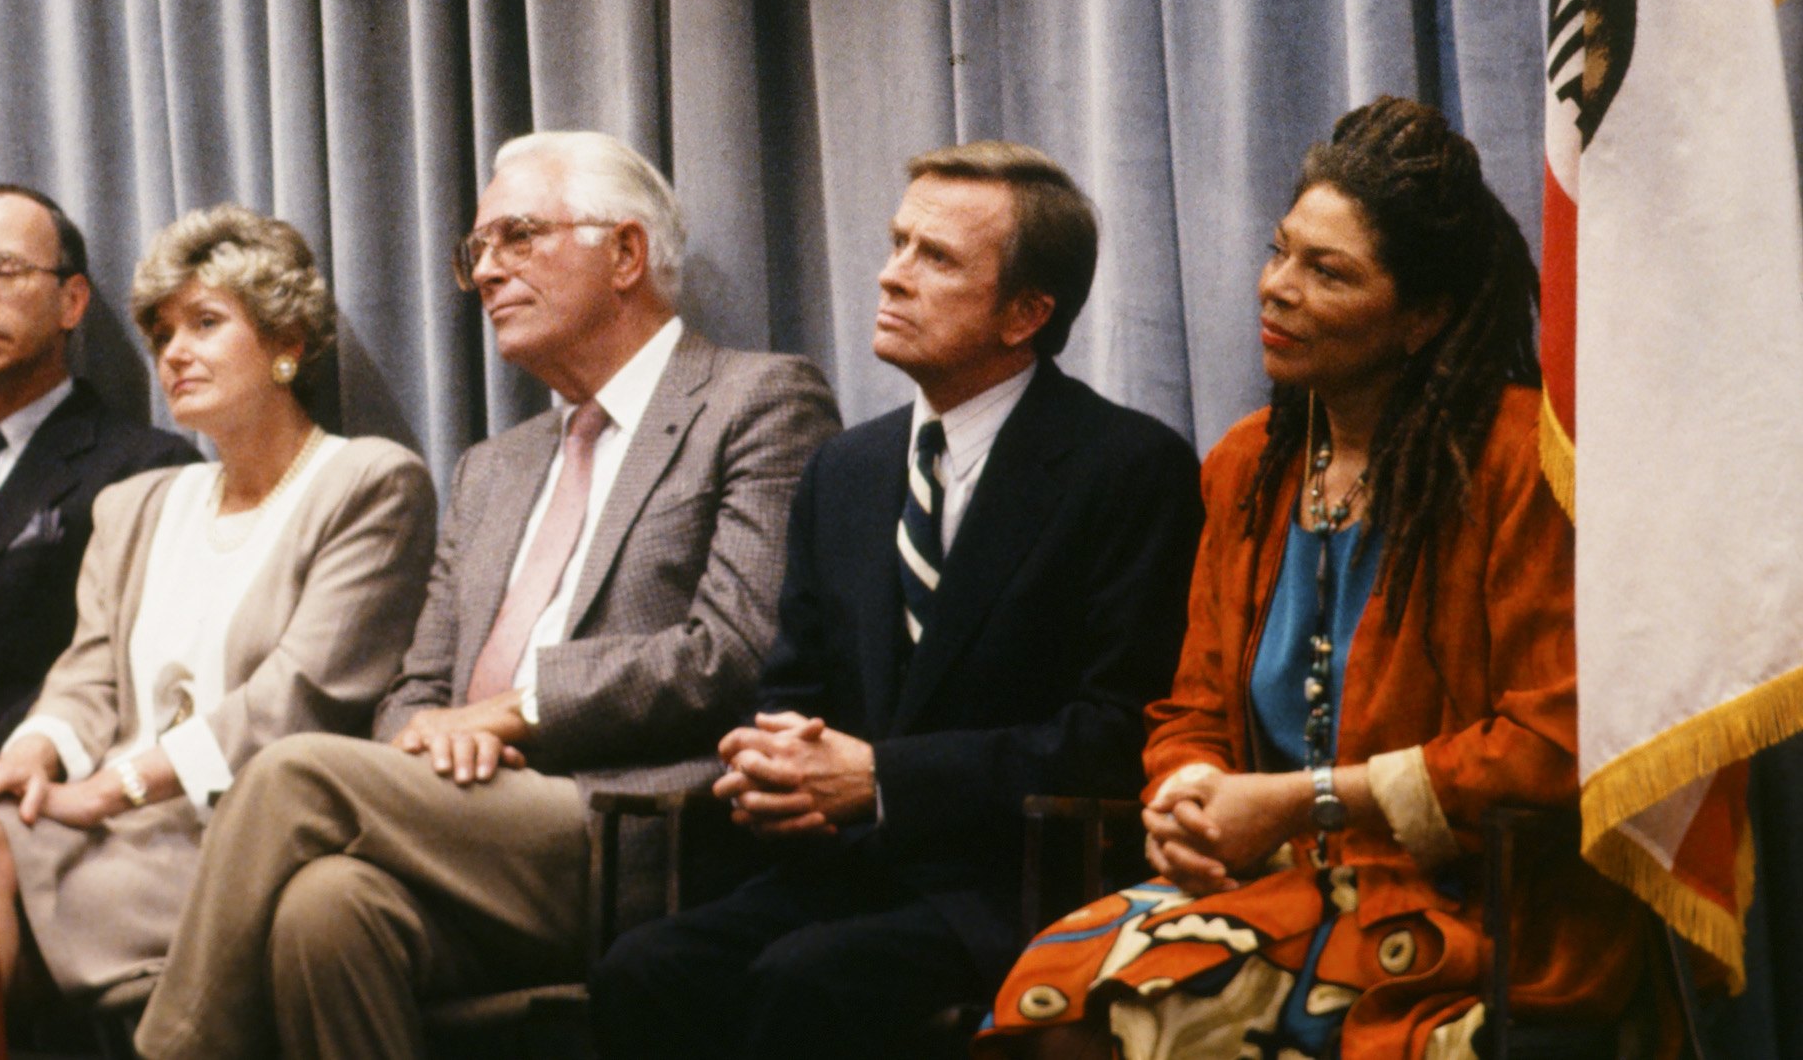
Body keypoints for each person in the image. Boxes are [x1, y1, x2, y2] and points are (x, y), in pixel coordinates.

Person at [135, 131, 840, 1060]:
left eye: (518, 238)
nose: (488, 274)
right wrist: (427, 743)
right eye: (478, 252)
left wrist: (515, 713)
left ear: (625, 253)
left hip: (635, 828)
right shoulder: (491, 469)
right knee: (326, 912)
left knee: (292, 774)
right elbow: (415, 687)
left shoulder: (756, 402)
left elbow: (732, 651)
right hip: (463, 818)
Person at [981, 98, 1644, 1060]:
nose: (1276, 289)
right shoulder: (1248, 464)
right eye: (1281, 251)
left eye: (1327, 271)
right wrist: (1189, 794)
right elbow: (1192, 708)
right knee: (1059, 993)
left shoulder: (1519, 459)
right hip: (1275, 885)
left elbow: (1554, 743)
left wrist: (1302, 801)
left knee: (1163, 1009)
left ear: (1422, 317)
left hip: (1481, 907)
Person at [587, 141, 1203, 1058]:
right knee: (641, 968)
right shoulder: (848, 468)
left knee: (807, 982)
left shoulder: (1127, 468)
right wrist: (774, 762)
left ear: (1026, 313)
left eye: (937, 258)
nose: (890, 275)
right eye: (897, 242)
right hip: (849, 872)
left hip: (1020, 884)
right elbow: (793, 688)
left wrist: (882, 780)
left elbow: (1116, 736)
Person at [0, 204, 439, 1012]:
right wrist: (35, 751)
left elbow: (298, 700)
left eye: (205, 323)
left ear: (286, 344)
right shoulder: (140, 503)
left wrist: (117, 787)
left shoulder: (368, 482)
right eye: (161, 335)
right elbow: (87, 677)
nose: (175, 354)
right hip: (110, 823)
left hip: (246, 835)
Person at [0, 182, 201, 758]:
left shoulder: (146, 468)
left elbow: (130, 684)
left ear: (72, 300)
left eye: (5, 270)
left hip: (27, 792)